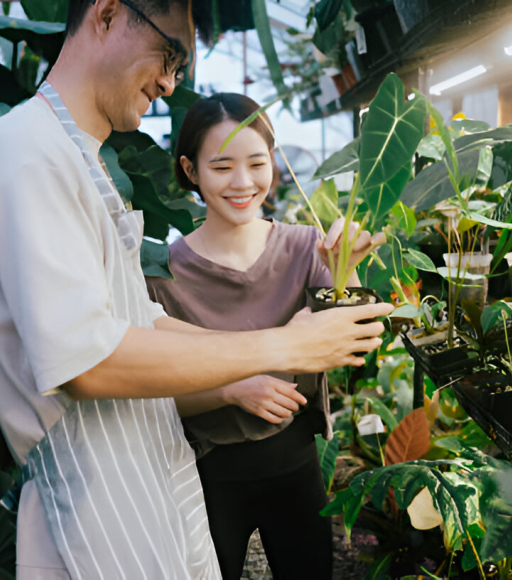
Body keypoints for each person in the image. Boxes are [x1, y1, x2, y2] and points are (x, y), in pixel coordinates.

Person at [0, 1, 393, 578]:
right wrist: (285, 346)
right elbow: (86, 361)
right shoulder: (25, 157)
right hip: (101, 509)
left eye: (181, 66)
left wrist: (284, 344)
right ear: (107, 14)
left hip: (149, 485)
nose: (169, 80)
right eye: (169, 53)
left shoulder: (81, 160)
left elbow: (139, 325)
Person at [145, 93, 385, 579]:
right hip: (206, 475)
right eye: (221, 166)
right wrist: (231, 388)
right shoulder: (162, 272)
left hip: (296, 464)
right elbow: (150, 394)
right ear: (190, 170)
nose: (243, 182)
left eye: (257, 163)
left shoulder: (304, 246)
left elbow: (353, 341)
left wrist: (349, 270)